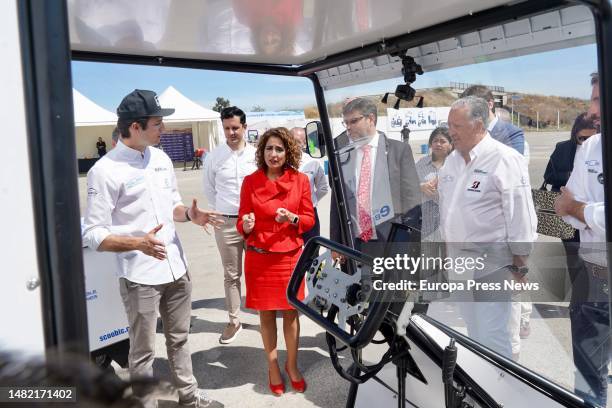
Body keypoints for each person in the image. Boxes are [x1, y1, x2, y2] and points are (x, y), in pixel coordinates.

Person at [82, 89, 223, 408]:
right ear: (135, 127)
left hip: (177, 268)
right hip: (140, 277)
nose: (164, 129)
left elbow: (172, 205)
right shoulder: (104, 171)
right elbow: (93, 233)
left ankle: (189, 398)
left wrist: (189, 214)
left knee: (179, 340)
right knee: (142, 354)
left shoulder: (160, 158)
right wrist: (138, 243)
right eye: (158, 123)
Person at [438, 96, 537, 359]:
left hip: (492, 265)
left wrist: (520, 261)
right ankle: (480, 390)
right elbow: (449, 211)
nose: (451, 132)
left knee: (493, 336)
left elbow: (521, 216)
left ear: (478, 125)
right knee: (473, 332)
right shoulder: (452, 161)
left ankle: (500, 394)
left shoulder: (505, 159)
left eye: (456, 125)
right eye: (449, 125)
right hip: (459, 264)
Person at [236, 127, 314, 396]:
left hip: (289, 257)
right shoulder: (250, 182)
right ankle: (272, 367)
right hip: (260, 259)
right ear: (262, 151)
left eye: (279, 149)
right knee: (266, 315)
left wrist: (291, 218)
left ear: (288, 151)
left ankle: (292, 366)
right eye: (269, 148)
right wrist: (245, 225)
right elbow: (241, 221)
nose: (273, 153)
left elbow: (308, 220)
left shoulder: (301, 180)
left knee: (291, 315)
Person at [554, 73, 609, 407]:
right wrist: (589, 212)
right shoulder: (589, 145)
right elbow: (564, 208)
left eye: (599, 100)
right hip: (595, 274)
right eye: (593, 99)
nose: (592, 110)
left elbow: (575, 206)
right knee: (588, 375)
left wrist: (581, 210)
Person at [329, 97, 420, 251]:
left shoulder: (398, 150)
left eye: (353, 121)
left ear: (371, 118)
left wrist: (407, 240)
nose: (348, 128)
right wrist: (336, 243)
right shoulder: (343, 156)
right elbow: (337, 201)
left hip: (390, 241)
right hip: (354, 244)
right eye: (346, 123)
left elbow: (412, 199)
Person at [203, 106, 257, 344]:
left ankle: (264, 314)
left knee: (258, 271)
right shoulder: (214, 157)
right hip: (225, 223)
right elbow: (209, 189)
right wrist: (224, 213)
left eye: (235, 127)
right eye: (227, 128)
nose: (231, 132)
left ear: (244, 127)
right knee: (231, 275)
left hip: (255, 222)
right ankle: (234, 321)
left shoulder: (256, 155)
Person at [290, 126, 329, 243]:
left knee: (311, 251)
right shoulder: (280, 162)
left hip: (309, 214)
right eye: (291, 140)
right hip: (287, 215)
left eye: (298, 141)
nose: (294, 144)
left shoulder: (313, 162)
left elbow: (323, 188)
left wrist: (311, 201)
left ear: (304, 143)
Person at [461, 85, 525, 154]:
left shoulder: (512, 133)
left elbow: (512, 162)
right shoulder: (466, 130)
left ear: (490, 105)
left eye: (473, 107)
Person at [415, 126, 452, 242]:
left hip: (451, 227)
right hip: (428, 227)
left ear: (451, 144)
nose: (438, 144)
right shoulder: (421, 163)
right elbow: (408, 186)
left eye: (443, 141)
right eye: (435, 141)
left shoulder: (457, 164)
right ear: (430, 144)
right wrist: (421, 187)